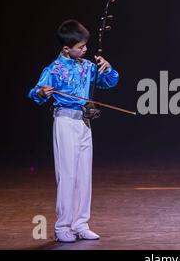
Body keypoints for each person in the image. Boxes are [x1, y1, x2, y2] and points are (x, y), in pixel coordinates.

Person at [28, 20, 119, 243]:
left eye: (85, 46)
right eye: (80, 47)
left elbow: (109, 82)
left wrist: (107, 68)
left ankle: (80, 223)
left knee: (83, 175)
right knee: (67, 175)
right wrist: (42, 92)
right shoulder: (54, 69)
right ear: (66, 49)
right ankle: (62, 226)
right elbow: (35, 93)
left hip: (84, 123)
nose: (84, 50)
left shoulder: (87, 66)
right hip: (65, 121)